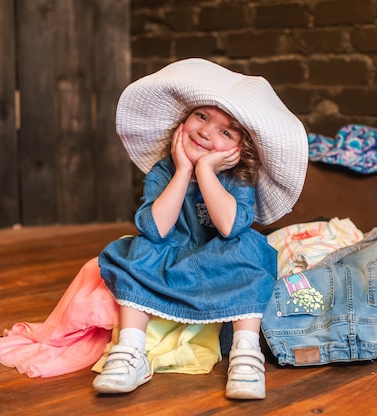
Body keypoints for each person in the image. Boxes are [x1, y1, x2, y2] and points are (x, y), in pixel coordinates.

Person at [92, 58, 308, 400]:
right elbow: (156, 228)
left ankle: (245, 353)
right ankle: (131, 352)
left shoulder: (237, 177)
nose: (207, 131)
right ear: (184, 120)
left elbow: (229, 227)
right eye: (202, 116)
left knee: (250, 246)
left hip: (218, 261)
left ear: (240, 149)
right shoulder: (164, 170)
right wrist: (182, 171)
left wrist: (206, 170)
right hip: (171, 255)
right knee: (138, 247)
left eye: (226, 132)